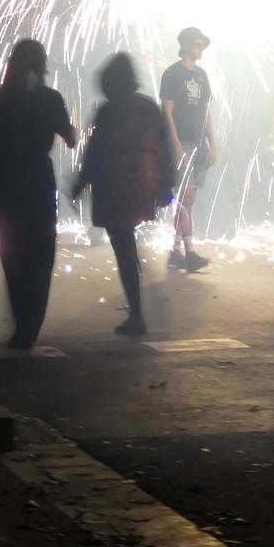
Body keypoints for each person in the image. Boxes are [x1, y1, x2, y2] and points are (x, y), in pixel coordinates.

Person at [72, 53, 175, 335]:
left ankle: (137, 313)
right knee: (127, 242)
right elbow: (164, 148)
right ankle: (138, 308)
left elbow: (95, 152)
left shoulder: (109, 110)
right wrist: (166, 185)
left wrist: (80, 183)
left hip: (114, 188)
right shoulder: (148, 106)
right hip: (142, 186)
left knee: (124, 247)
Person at [0, 39, 76, 350]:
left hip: (6, 180)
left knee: (11, 253)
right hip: (38, 181)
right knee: (40, 254)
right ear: (42, 65)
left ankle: (20, 322)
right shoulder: (51, 99)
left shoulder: (0, 97)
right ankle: (31, 324)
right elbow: (71, 138)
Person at [161, 26, 216, 273]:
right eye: (197, 44)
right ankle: (190, 253)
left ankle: (175, 251)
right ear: (185, 46)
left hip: (197, 143)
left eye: (202, 44)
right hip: (181, 142)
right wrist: (177, 147)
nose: (200, 48)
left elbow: (206, 113)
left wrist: (212, 143)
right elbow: (167, 113)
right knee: (187, 198)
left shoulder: (203, 76)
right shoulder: (172, 74)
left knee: (186, 201)